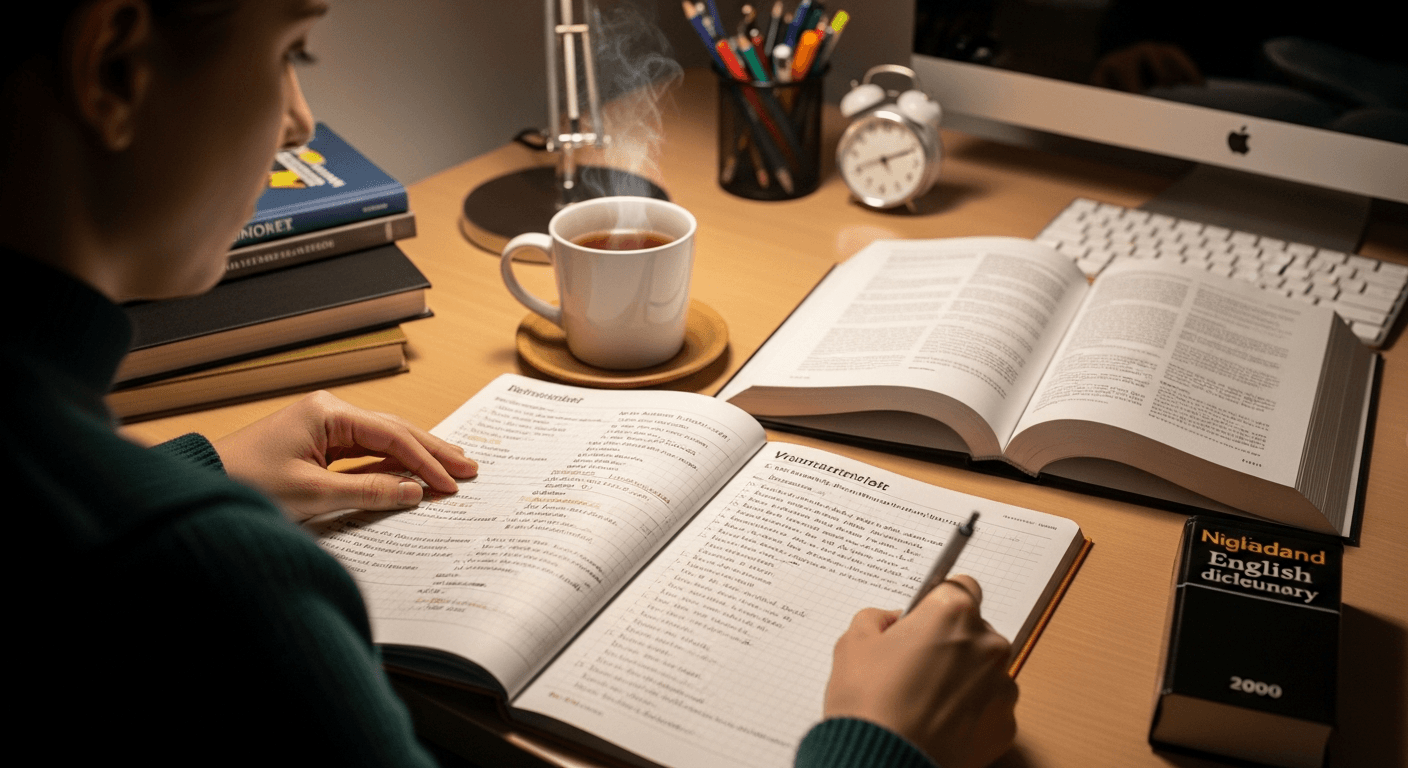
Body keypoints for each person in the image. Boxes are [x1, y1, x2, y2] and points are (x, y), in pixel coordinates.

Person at [2, 2, 1017, 766]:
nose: (301, 125)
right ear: (115, 69)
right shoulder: (214, 584)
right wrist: (880, 746)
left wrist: (195, 470)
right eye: (290, 55)